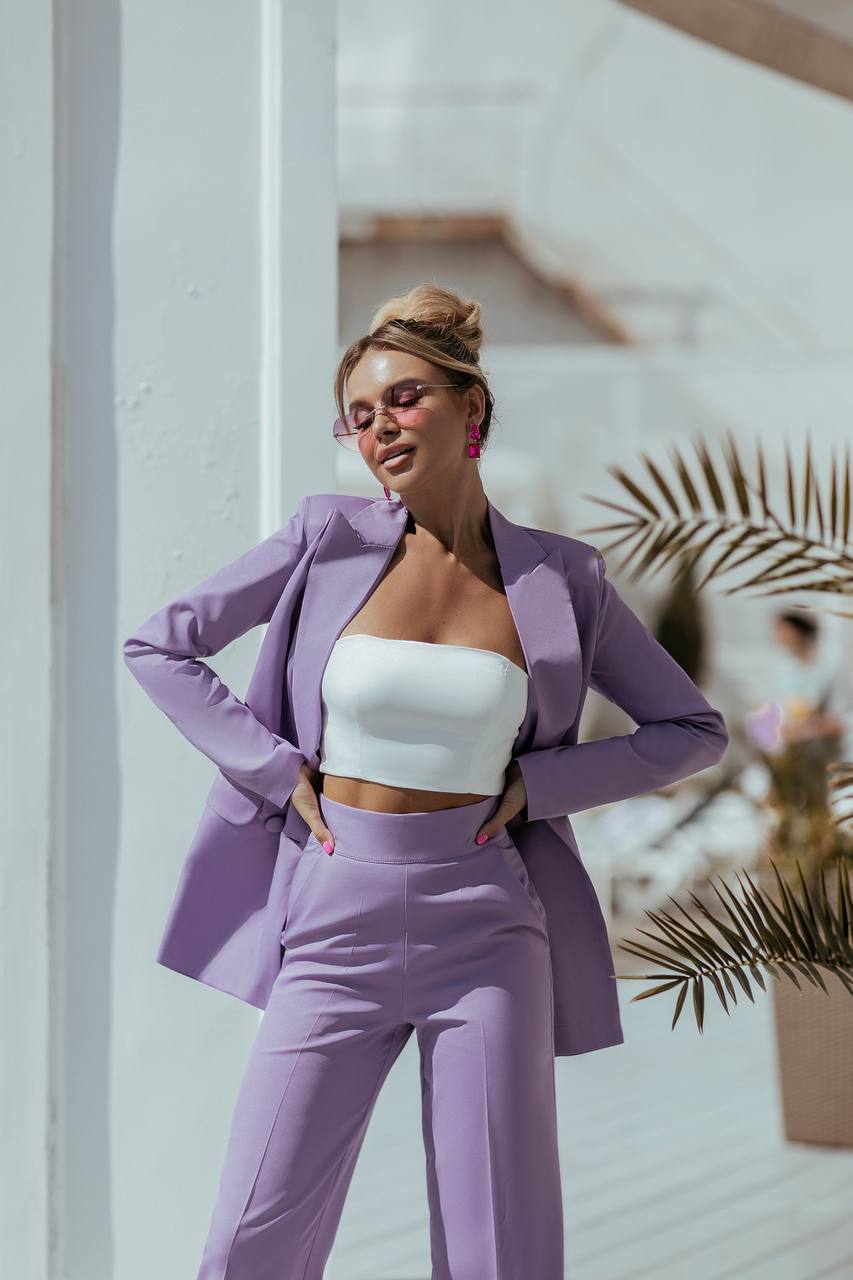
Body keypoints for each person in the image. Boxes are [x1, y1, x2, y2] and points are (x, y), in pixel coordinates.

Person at [124, 284, 728, 1279]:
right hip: (332, 918)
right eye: (359, 414)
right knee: (250, 1235)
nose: (380, 427)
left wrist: (539, 785)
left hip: (486, 928)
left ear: (470, 405)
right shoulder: (325, 539)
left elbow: (691, 731)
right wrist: (273, 769)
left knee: (499, 1247)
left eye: (404, 398)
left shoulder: (559, 579)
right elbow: (160, 647)